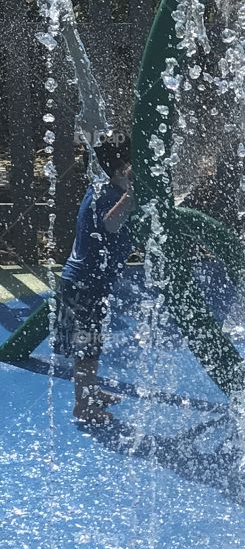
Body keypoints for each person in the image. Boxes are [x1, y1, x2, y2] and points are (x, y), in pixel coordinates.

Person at [54, 134, 136, 425]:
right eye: (133, 168)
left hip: (91, 284)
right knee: (87, 346)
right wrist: (132, 196)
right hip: (83, 284)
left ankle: (89, 391)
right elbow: (110, 224)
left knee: (92, 344)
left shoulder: (108, 188)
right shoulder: (105, 193)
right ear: (121, 169)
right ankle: (83, 406)